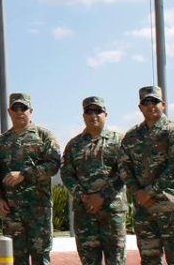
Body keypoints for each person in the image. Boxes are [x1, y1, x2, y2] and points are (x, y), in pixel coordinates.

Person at [119, 86, 174, 265]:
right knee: (149, 260)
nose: (151, 106)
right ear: (140, 107)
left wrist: (149, 191)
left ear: (163, 105)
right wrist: (137, 192)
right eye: (146, 102)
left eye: (155, 102)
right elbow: (124, 166)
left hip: (172, 207)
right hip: (145, 209)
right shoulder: (132, 136)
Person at [0, 92, 61, 265]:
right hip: (12, 213)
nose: (19, 112)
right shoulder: (1, 142)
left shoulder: (44, 136)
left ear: (31, 111)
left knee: (41, 258)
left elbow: (53, 165)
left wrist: (24, 174)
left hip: (38, 211)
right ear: (9, 111)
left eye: (23, 108)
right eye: (15, 108)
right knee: (15, 259)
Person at [61, 97, 127, 265]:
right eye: (89, 112)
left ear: (105, 114)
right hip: (85, 213)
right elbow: (67, 174)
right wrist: (83, 196)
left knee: (116, 261)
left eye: (98, 111)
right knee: (89, 261)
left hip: (112, 212)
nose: (93, 115)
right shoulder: (74, 145)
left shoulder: (119, 141)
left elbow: (124, 172)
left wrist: (102, 196)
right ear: (83, 116)